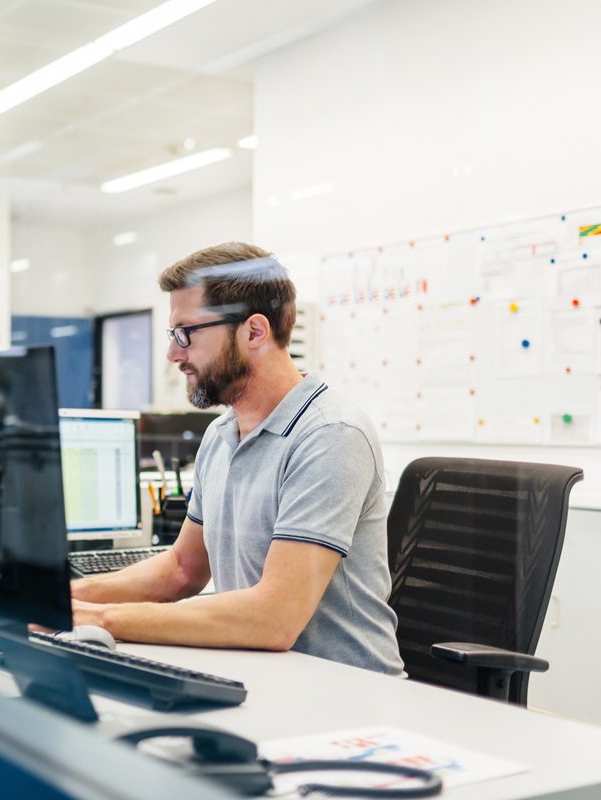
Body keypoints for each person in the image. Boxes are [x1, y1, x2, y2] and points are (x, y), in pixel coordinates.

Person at [72, 242, 403, 675]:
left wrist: (99, 619)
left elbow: (273, 618)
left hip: (347, 691)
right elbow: (182, 569)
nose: (174, 354)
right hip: (264, 674)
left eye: (185, 332)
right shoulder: (222, 433)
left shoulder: (330, 435)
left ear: (254, 331)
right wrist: (63, 595)